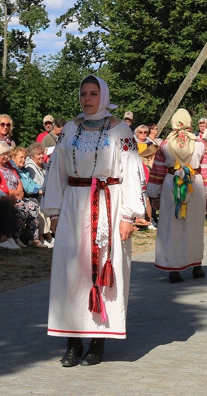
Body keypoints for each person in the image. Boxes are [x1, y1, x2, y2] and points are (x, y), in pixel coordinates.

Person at [42, 75, 145, 367]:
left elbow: (131, 172)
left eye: (93, 94)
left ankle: (99, 341)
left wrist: (128, 215)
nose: (87, 99)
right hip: (74, 205)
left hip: (108, 205)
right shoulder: (69, 130)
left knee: (104, 270)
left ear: (104, 96)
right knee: (71, 272)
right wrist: (54, 212)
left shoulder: (120, 130)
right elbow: (56, 173)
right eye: (83, 93)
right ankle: (72, 341)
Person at [147, 109, 207, 283]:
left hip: (172, 184)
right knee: (194, 226)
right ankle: (196, 266)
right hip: (195, 185)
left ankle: (174, 269)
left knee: (172, 226)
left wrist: (154, 196)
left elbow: (157, 172)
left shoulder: (164, 145)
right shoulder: (201, 144)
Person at [0, 142, 43, 248]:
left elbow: (18, 179)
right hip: (5, 197)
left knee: (33, 206)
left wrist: (20, 191)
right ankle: (15, 237)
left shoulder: (9, 165)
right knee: (22, 207)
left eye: (8, 154)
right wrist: (16, 193)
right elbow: (0, 188)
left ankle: (33, 238)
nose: (7, 157)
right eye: (4, 154)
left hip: (17, 195)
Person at [25, 142, 55, 246]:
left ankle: (54, 234)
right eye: (38, 154)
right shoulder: (30, 167)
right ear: (32, 156)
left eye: (42, 153)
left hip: (46, 194)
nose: (42, 156)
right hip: (34, 196)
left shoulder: (45, 165)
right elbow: (35, 186)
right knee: (42, 208)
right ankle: (47, 236)